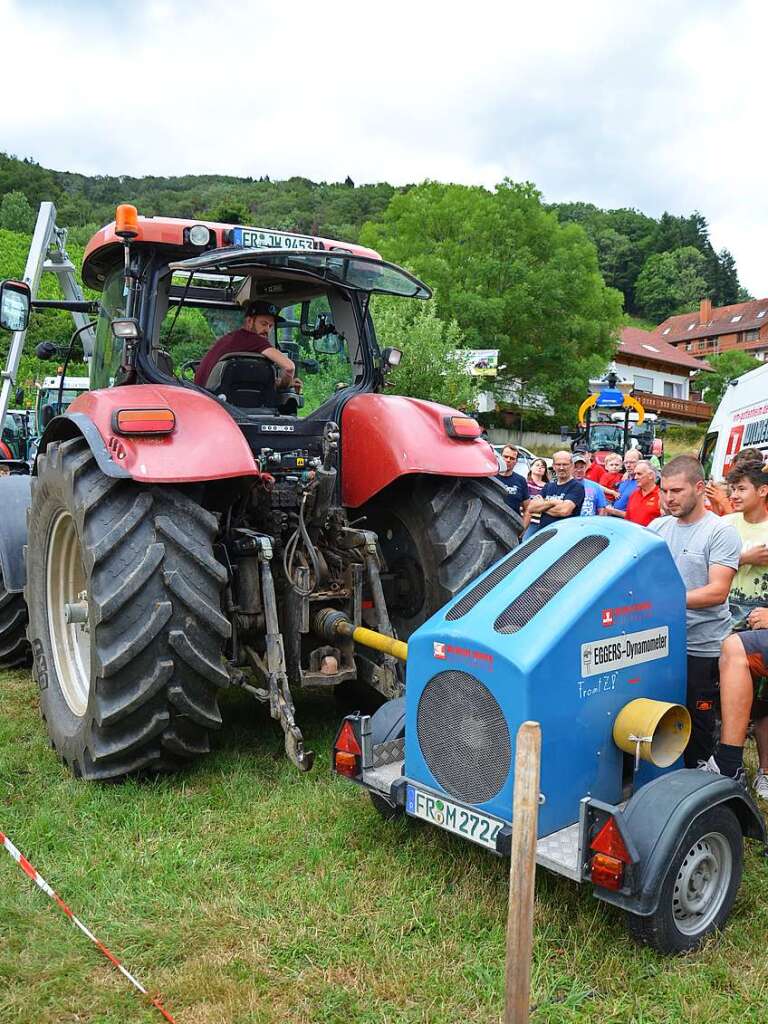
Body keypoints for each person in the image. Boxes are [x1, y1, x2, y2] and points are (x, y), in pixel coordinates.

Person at [647, 456, 741, 770]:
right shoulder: (657, 527)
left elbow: (717, 591)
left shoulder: (720, 532)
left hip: (702, 646)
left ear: (700, 488)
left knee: (698, 722)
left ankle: (699, 779)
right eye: (664, 491)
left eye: (676, 491)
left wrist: (663, 601)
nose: (668, 498)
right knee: (659, 715)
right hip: (659, 643)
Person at [712, 462, 768, 793]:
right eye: (731, 489)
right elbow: (709, 568)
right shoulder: (725, 526)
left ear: (763, 491)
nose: (733, 495)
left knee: (764, 706)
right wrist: (745, 558)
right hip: (722, 622)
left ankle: (763, 772)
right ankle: (720, 761)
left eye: (741, 488)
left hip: (758, 625)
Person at [194, 301, 297, 389]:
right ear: (249, 321)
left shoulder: (232, 339)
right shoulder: (255, 340)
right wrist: (284, 384)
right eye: (263, 324)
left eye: (270, 326)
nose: (267, 330)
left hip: (204, 396)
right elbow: (289, 367)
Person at [526, 450, 585, 531]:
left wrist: (542, 506)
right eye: (558, 464)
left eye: (565, 464)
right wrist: (553, 502)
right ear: (553, 466)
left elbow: (564, 511)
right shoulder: (548, 486)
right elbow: (531, 508)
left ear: (572, 465)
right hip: (543, 534)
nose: (561, 468)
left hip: (563, 535)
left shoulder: (577, 487)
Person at [602, 449, 640, 518]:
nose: (628, 465)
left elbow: (638, 515)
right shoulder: (623, 479)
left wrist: (614, 511)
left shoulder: (641, 482)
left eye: (632, 462)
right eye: (626, 462)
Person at [623, 459, 661, 526]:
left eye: (639, 474)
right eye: (635, 474)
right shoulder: (633, 494)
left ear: (651, 475)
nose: (635, 477)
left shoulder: (661, 496)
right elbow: (627, 519)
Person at [495, 445, 530, 517]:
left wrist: (523, 527)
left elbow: (528, 510)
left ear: (516, 461)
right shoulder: (490, 477)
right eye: (505, 456)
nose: (508, 460)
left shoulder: (521, 480)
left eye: (512, 458)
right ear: (499, 457)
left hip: (512, 525)